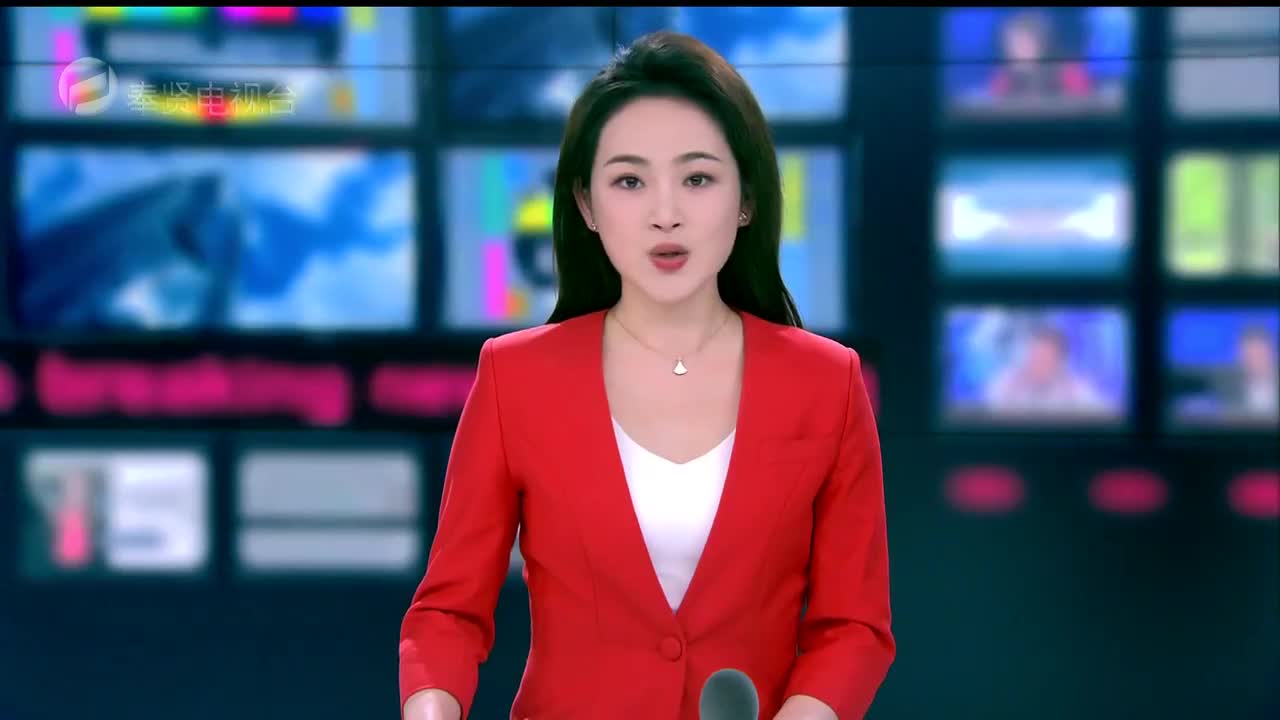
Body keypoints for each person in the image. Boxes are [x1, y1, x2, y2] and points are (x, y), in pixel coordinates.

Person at [399, 30, 894, 720]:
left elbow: (854, 626)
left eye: (698, 179)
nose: (666, 215)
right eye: (630, 181)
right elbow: (448, 613)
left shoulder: (827, 383)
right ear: (586, 204)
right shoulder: (515, 377)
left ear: (746, 199)